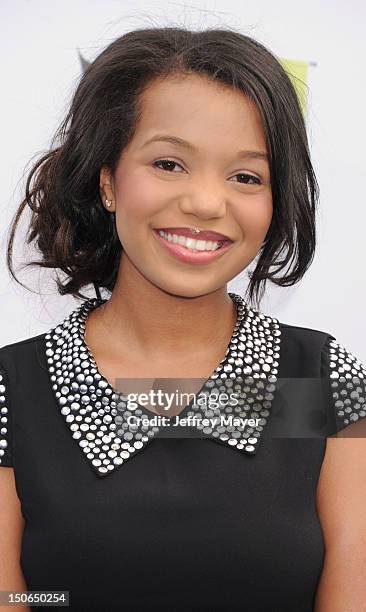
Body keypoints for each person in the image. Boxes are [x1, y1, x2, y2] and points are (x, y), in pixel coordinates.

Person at [0, 25, 365, 612]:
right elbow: (17, 596)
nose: (205, 202)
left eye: (246, 176)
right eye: (169, 163)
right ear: (108, 180)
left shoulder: (316, 384)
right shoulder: (16, 391)